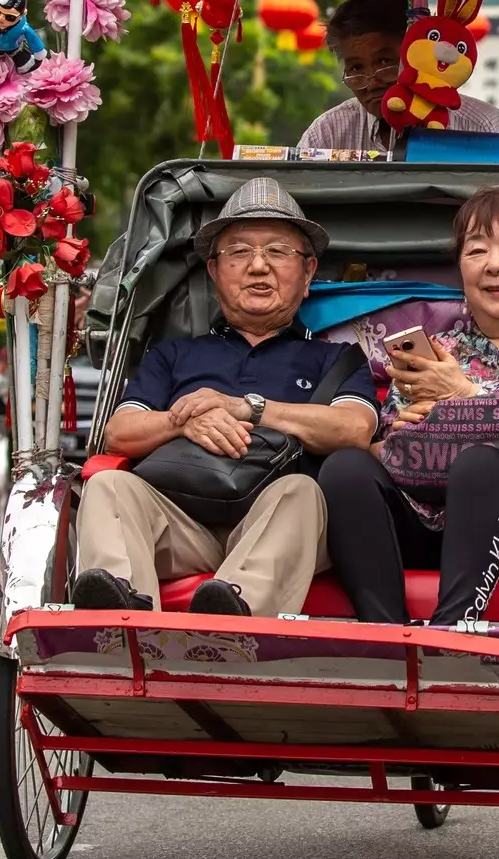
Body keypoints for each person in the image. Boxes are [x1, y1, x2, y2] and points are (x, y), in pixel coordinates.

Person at [72, 179, 377, 616]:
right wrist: (183, 421)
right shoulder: (175, 354)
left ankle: (230, 618)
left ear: (308, 272)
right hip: (181, 524)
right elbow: (118, 432)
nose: (258, 267)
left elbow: (355, 431)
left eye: (277, 252)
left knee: (300, 492)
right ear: (214, 272)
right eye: (238, 252)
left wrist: (248, 407)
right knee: (108, 485)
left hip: (283, 528)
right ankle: (122, 621)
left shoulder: (337, 359)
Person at [322, 185, 499, 626]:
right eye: (477, 251)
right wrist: (396, 437)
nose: (495, 265)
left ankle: (451, 633)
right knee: (345, 468)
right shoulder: (436, 350)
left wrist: (465, 397)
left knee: (481, 464)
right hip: (419, 511)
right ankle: (386, 636)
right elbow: (389, 443)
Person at [298, 0, 499, 151]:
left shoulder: (487, 129)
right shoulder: (327, 134)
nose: (372, 82)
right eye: (356, 69)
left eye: (385, 62)